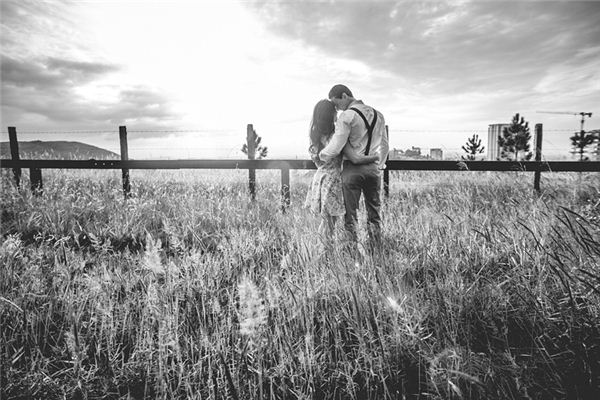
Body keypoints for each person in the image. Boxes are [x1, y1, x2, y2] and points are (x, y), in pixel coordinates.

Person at [318, 84, 389, 248]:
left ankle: (352, 251)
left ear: (344, 96)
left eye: (336, 104)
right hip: (373, 169)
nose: (337, 108)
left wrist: (322, 155)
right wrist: (380, 165)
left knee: (351, 216)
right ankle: (375, 250)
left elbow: (337, 145)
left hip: (352, 170)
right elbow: (384, 145)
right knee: (375, 214)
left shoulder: (347, 116)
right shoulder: (379, 114)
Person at [305, 99, 378, 236]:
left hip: (320, 177)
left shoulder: (315, 135)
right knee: (329, 223)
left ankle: (323, 251)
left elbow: (317, 160)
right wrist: (376, 157)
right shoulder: (336, 136)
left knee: (326, 222)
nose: (337, 114)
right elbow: (355, 158)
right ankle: (325, 252)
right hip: (333, 181)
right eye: (335, 111)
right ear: (330, 114)